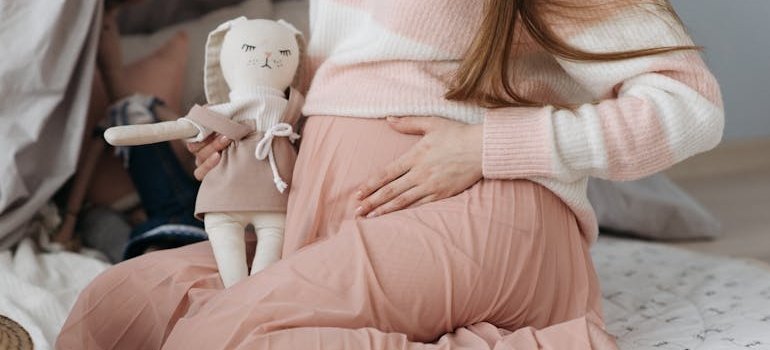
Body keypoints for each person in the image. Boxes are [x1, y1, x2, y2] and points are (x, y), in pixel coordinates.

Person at [56, 0, 724, 348]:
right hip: (333, 218)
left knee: (218, 336)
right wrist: (263, 136)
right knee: (112, 310)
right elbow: (359, 74)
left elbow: (690, 107)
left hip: (487, 213)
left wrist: (493, 146)